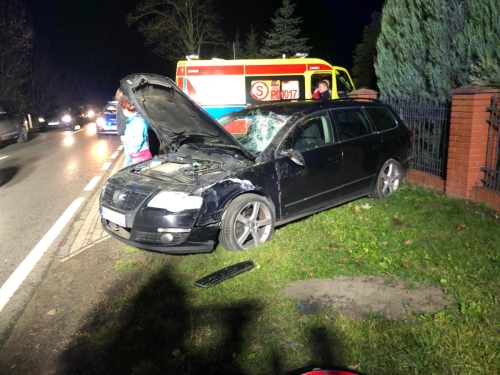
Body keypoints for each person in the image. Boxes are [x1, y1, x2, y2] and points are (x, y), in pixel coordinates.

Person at [121, 98, 150, 166]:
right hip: (134, 157)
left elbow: (137, 141)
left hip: (137, 158)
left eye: (123, 109)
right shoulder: (133, 120)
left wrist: (130, 153)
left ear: (126, 109)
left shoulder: (137, 122)